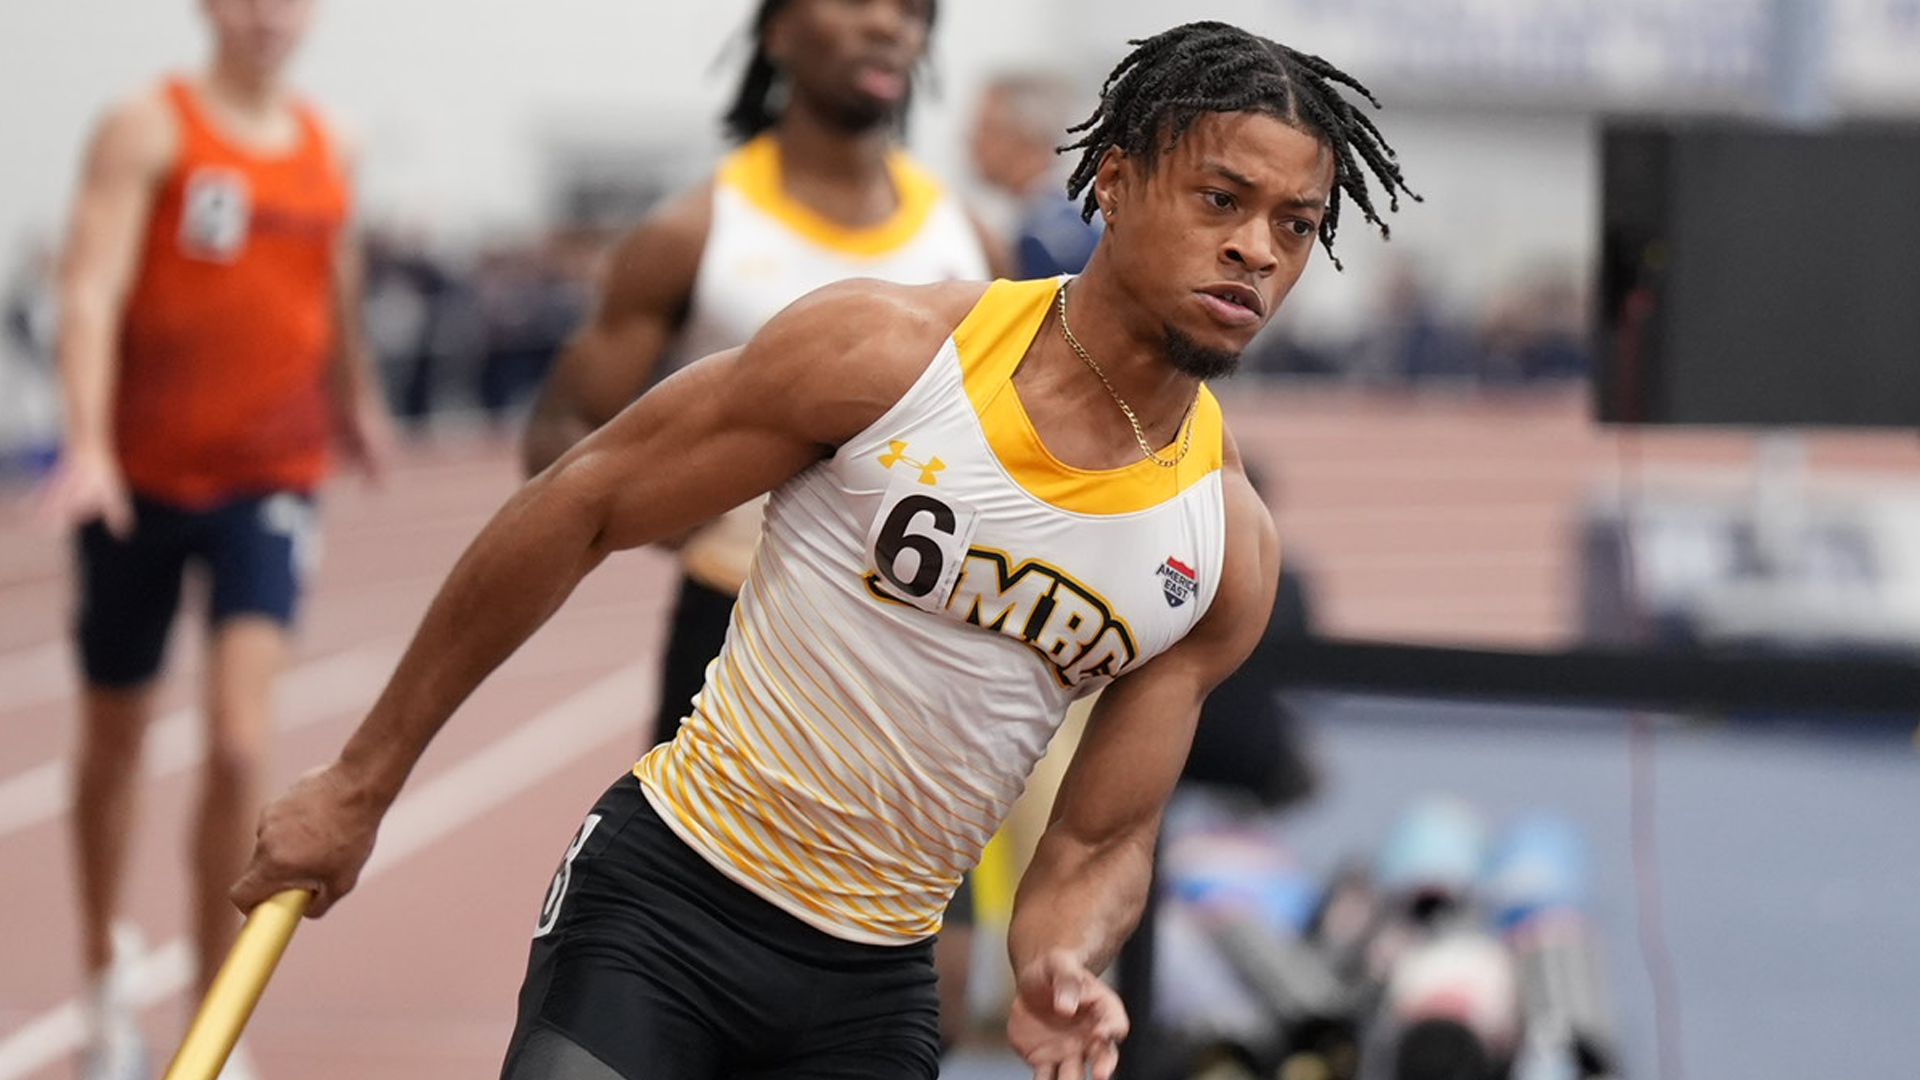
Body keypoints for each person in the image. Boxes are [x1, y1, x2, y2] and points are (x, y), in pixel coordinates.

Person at [234, 20, 1416, 1080]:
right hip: (669, 901)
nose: (1258, 250)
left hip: (871, 989)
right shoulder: (887, 355)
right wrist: (360, 781)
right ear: (1113, 183)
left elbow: (1099, 840)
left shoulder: (1222, 549)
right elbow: (581, 500)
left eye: (1295, 226)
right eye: (1223, 201)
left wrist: (1062, 957)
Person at [36, 1, 388, 1077]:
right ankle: (102, 974)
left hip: (267, 484)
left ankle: (209, 1017)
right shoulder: (149, 126)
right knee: (115, 739)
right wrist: (88, 443)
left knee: (241, 744)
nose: (263, 16)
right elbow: (90, 286)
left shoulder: (337, 143)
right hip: (138, 485)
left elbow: (334, 282)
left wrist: (355, 398)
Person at [521, 0, 1000, 754]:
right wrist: (687, 520)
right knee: (686, 873)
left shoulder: (970, 240)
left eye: (911, 12)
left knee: (921, 878)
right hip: (733, 623)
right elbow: (561, 432)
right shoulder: (695, 231)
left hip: (917, 647)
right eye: (855, 3)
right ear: (777, 30)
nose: (888, 26)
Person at [968, 71, 1105, 278]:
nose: (971, 141)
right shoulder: (1063, 220)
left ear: (1026, 136)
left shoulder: (1042, 240)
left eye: (987, 129)